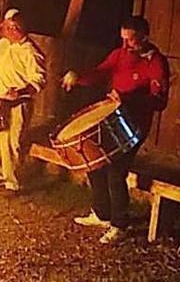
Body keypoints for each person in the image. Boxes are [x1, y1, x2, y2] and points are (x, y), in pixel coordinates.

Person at [62, 15, 170, 244]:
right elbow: (100, 71)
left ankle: (120, 225)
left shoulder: (156, 63)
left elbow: (159, 101)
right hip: (114, 118)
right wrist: (78, 77)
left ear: (144, 37)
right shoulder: (120, 55)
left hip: (135, 126)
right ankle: (102, 214)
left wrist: (128, 99)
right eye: (122, 39)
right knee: (94, 162)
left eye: (130, 40)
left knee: (115, 171)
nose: (125, 45)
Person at [0, 8, 46, 193]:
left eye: (7, 27)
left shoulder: (30, 52)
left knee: (11, 143)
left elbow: (39, 79)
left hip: (17, 104)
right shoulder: (3, 44)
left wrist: (21, 91)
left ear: (16, 29)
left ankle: (11, 182)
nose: (3, 29)